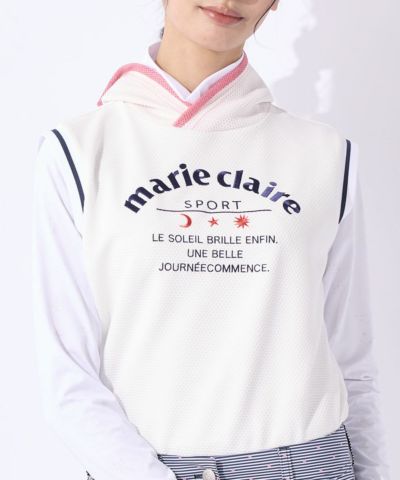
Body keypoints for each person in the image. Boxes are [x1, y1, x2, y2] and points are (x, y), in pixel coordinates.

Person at [31, 1, 391, 480]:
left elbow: (352, 360)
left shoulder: (327, 155)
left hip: (311, 464)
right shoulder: (79, 151)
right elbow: (68, 377)